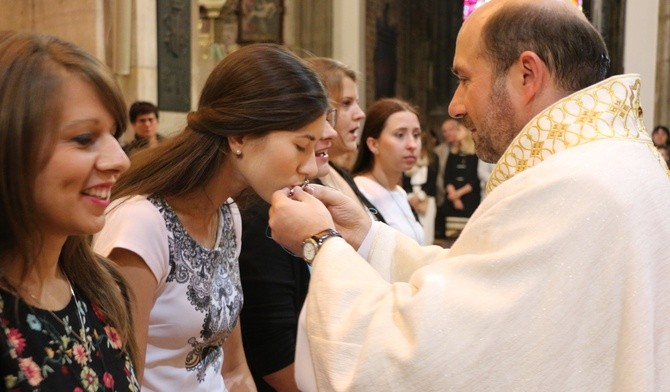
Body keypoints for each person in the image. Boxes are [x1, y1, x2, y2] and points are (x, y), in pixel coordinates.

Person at [268, 0, 670, 390]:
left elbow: (421, 356)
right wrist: (366, 236)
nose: (455, 106)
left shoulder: (568, 184)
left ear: (527, 75)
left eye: (464, 78)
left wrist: (320, 243)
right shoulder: (620, 161)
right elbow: (478, 285)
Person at [93, 43, 330, 391]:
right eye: (300, 146)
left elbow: (233, 371)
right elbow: (123, 380)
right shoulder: (141, 224)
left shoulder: (228, 215)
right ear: (240, 136)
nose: (310, 166)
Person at [0, 31, 139, 390]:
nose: (120, 160)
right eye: (83, 139)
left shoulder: (104, 288)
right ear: (10, 148)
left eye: (115, 136)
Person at [238, 57, 376, 392]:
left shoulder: (332, 181)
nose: (331, 130)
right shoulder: (263, 209)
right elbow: (272, 350)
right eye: (340, 106)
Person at [305, 57, 383, 222]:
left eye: (357, 103)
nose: (360, 114)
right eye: (346, 103)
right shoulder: (303, 186)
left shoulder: (338, 171)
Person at [352, 98, 425, 244]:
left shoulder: (400, 192)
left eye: (416, 135)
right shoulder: (359, 193)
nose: (412, 144)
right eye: (400, 135)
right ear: (373, 144)